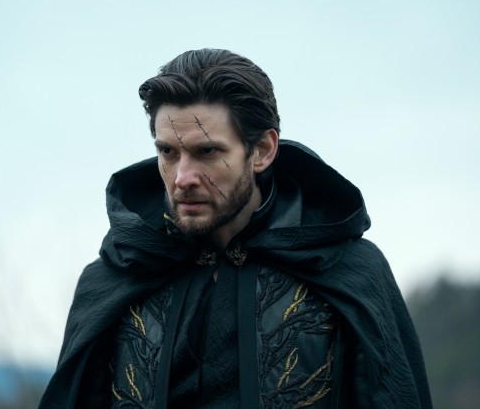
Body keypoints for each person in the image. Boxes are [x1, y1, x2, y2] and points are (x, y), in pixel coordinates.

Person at [38, 49, 432, 408]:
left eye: (207, 151)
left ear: (262, 151)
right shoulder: (115, 276)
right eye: (168, 152)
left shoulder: (349, 270)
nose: (182, 178)